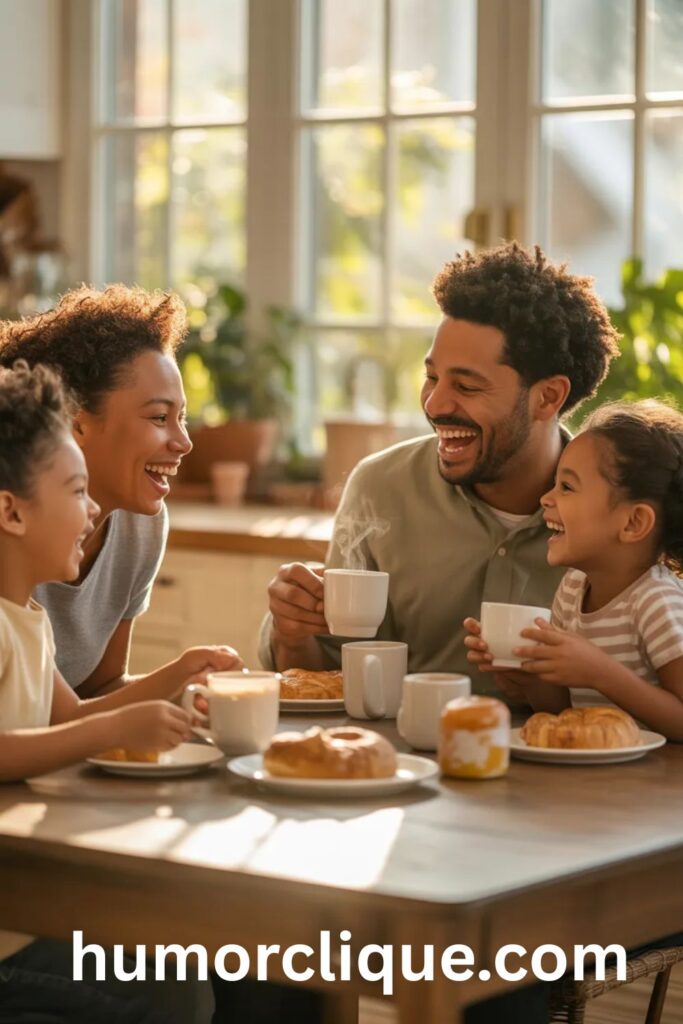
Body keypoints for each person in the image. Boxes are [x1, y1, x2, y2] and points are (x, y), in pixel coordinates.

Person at [260, 242, 620, 695]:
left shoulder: (617, 513)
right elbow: (328, 674)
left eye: (466, 386)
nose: (435, 404)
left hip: (569, 760)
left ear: (547, 397)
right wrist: (292, 633)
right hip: (405, 762)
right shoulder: (380, 488)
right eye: (432, 377)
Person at [0, 360, 208, 1022]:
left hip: (27, 912)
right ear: (10, 510)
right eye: (76, 491)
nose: (93, 510)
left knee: (193, 952)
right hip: (7, 945)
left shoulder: (29, 621)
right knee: (172, 992)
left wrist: (176, 680)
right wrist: (114, 732)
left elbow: (74, 716)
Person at [0, 283, 242, 696]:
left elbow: (99, 688)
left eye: (182, 417)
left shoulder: (140, 526)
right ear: (76, 421)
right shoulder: (16, 530)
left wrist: (193, 689)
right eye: (160, 417)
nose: (184, 443)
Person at [465, 399, 683, 737]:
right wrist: (529, 676)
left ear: (634, 522)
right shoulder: (571, 589)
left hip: (654, 785)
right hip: (591, 776)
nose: (546, 499)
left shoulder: (657, 601)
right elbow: (563, 710)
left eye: (566, 487)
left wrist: (600, 672)